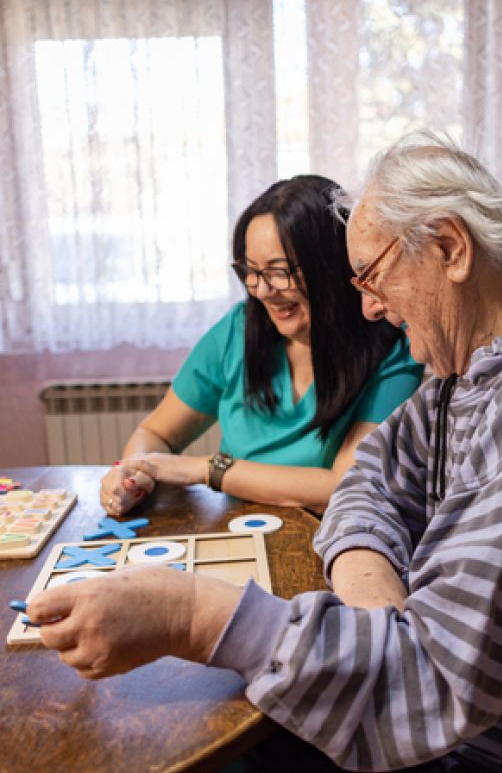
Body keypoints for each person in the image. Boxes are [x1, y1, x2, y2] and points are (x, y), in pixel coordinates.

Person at [28, 132, 502, 773]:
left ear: (450, 248)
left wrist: (187, 615)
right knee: (270, 757)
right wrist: (376, 603)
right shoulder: (474, 366)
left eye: (371, 275)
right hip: (478, 731)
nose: (367, 306)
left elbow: (426, 685)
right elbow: (368, 480)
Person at [100, 174, 422, 516]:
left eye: (279, 271)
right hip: (234, 531)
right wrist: (134, 472)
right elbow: (156, 432)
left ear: (330, 266)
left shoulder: (392, 352)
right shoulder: (237, 330)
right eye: (251, 271)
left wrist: (210, 469)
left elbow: (343, 485)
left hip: (326, 541)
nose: (262, 290)